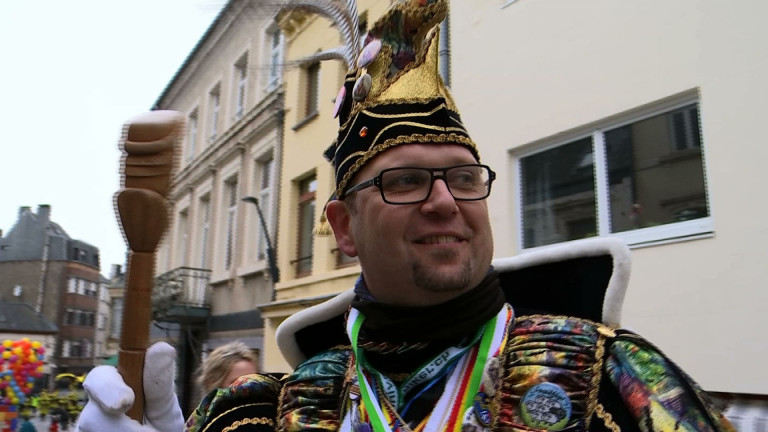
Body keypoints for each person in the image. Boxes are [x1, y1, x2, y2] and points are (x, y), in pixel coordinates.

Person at [77, 0, 734, 431]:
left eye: (465, 178)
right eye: (408, 181)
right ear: (342, 228)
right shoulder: (276, 414)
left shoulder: (613, 379)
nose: (446, 201)